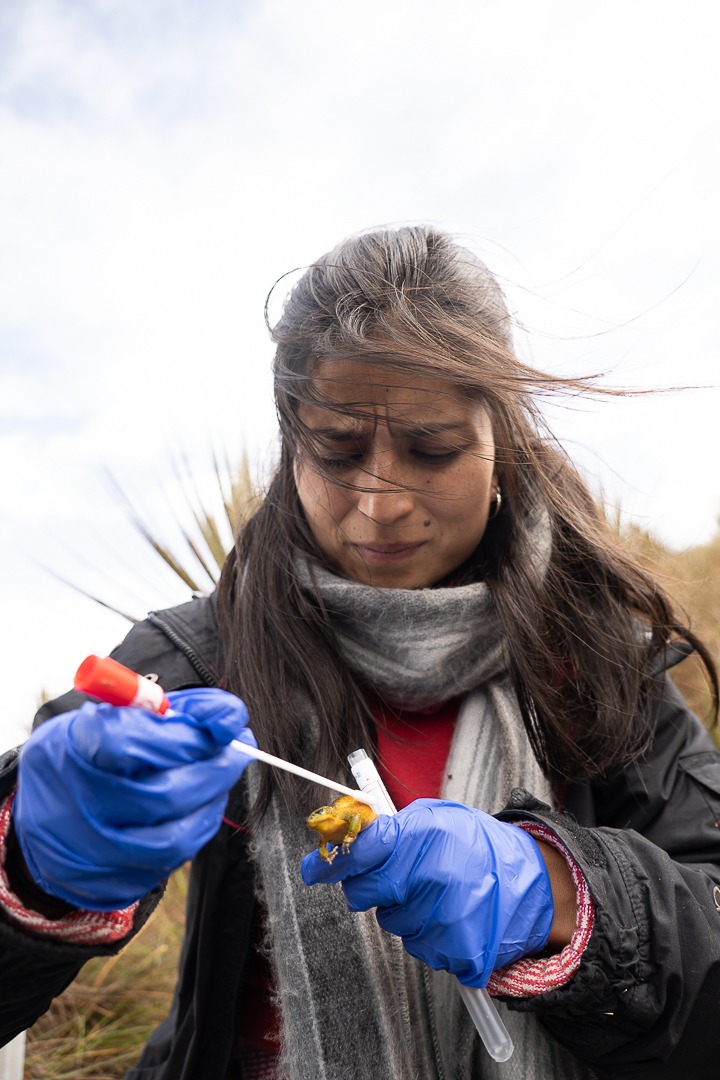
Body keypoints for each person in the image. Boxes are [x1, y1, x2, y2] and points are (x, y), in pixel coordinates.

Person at [1, 225, 719, 1080]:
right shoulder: (195, 656)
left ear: (503, 443)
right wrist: (32, 870)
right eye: (337, 450)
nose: (381, 504)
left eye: (433, 448)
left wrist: (562, 902)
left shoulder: (606, 665)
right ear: (290, 445)